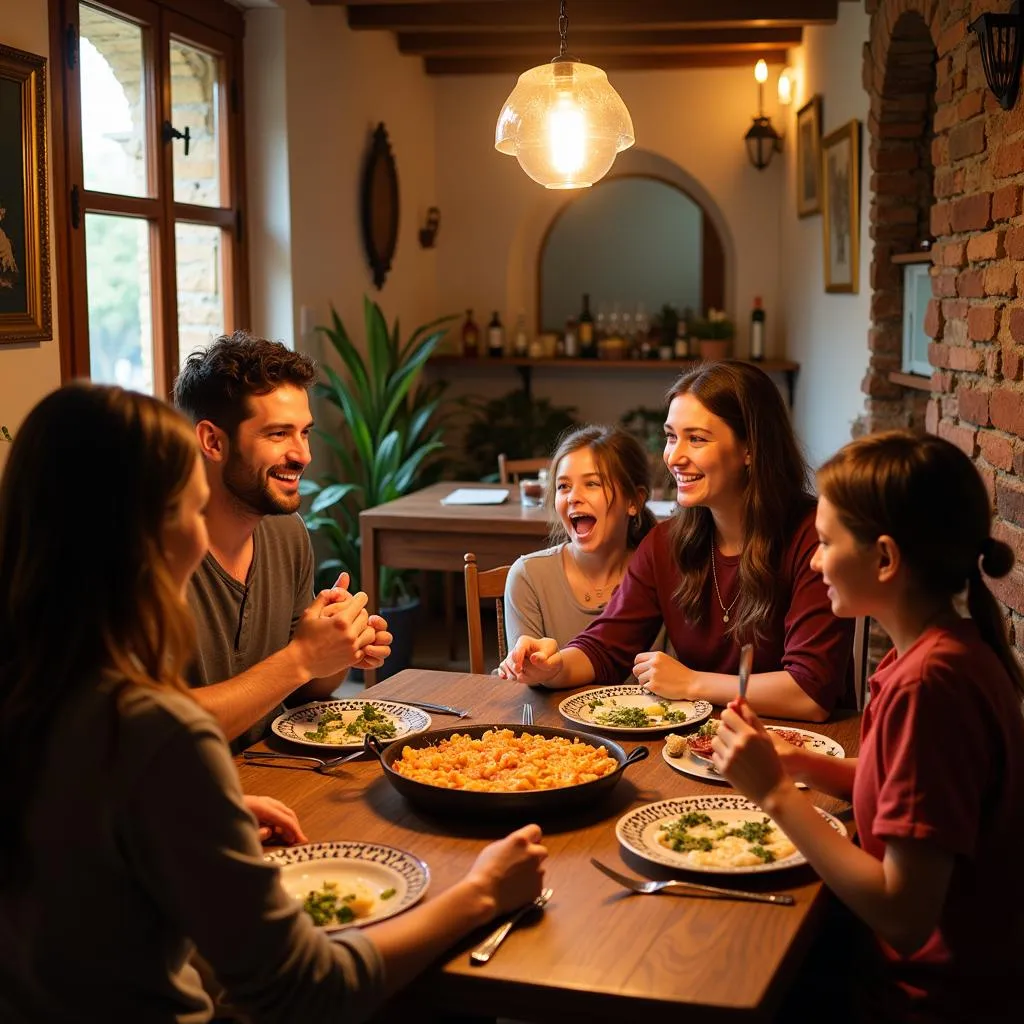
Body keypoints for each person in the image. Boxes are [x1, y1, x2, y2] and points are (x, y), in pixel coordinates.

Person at [0, 383, 548, 1022]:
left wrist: (209, 804)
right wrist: (480, 893)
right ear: (146, 534)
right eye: (188, 503)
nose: (199, 524)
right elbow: (302, 988)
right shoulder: (153, 731)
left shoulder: (38, 689)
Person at [713, 431, 1024, 1020]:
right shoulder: (932, 652)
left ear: (884, 558)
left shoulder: (930, 686)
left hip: (925, 997)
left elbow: (904, 918)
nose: (813, 559)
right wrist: (798, 763)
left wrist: (774, 793)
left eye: (826, 542)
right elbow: (903, 787)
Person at [499, 361, 853, 722]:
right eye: (671, 436)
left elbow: (810, 693)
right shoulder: (666, 544)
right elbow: (605, 647)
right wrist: (552, 666)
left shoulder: (815, 537)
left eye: (696, 438)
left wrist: (693, 684)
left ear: (750, 448)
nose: (674, 457)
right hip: (706, 748)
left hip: (808, 751)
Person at [173, 331, 391, 750]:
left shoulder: (286, 533)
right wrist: (302, 658)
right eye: (277, 434)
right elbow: (157, 731)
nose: (302, 455)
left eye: (304, 432)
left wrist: (337, 648)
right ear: (212, 441)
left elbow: (300, 690)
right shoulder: (149, 554)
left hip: (270, 777)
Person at [503, 425, 657, 652]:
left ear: (634, 501)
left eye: (592, 483)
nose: (573, 497)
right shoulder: (527, 577)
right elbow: (528, 680)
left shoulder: (660, 574)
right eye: (563, 486)